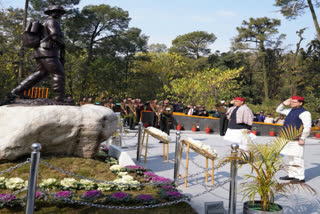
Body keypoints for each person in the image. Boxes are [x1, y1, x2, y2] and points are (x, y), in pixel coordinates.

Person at [10, 5, 66, 103]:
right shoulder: (52, 21)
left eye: (60, 12)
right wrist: (62, 44)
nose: (59, 14)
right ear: (50, 13)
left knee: (40, 73)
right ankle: (59, 99)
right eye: (56, 12)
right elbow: (55, 36)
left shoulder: (46, 22)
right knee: (58, 73)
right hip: (48, 51)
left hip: (40, 51)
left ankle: (17, 91)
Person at [277, 96, 312, 183]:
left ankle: (300, 177)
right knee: (290, 157)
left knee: (298, 158)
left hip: (297, 139)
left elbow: (307, 127)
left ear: (301, 103)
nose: (292, 103)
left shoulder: (305, 113)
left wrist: (303, 138)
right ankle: (291, 175)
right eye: (291, 102)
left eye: (294, 102)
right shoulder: (290, 110)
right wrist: (284, 103)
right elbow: (278, 110)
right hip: (287, 137)